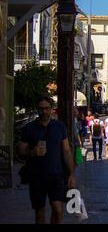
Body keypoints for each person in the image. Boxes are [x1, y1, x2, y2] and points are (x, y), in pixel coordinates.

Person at [17, 96, 76, 224]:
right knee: (39, 213)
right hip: (36, 176)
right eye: (41, 109)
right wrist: (32, 152)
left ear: (52, 109)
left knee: (58, 209)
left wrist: (71, 174)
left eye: (47, 108)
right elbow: (20, 152)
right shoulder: (29, 128)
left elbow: (66, 151)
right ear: (37, 110)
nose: (44, 111)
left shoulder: (59, 126)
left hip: (56, 175)